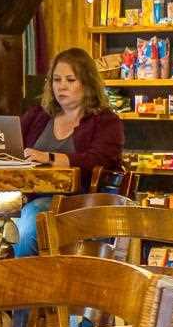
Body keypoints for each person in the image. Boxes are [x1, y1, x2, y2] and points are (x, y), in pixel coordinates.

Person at [14, 47, 125, 253]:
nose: (61, 86)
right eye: (56, 80)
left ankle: (25, 282)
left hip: (81, 203)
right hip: (29, 196)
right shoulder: (38, 115)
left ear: (87, 83)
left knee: (28, 225)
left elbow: (97, 160)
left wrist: (48, 157)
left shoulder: (106, 121)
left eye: (70, 80)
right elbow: (12, 148)